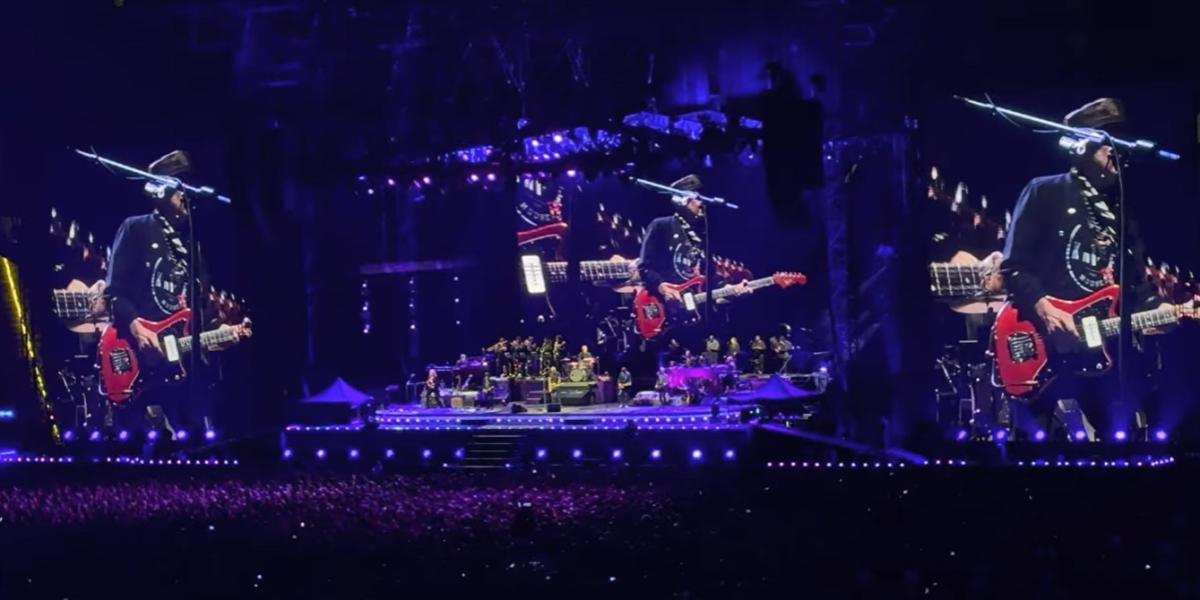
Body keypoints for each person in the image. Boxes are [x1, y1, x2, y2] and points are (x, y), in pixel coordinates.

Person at [1001, 98, 1172, 439]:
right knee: (1035, 446)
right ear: (1081, 146)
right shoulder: (1045, 191)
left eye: (1121, 140)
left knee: (1117, 442)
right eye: (1107, 140)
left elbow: (1135, 284)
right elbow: (1013, 266)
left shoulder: (1123, 209)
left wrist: (1159, 310)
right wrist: (1044, 309)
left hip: (1101, 348)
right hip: (1045, 340)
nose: (1116, 150)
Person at [105, 150, 240, 438]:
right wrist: (137, 328)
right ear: (161, 191)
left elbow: (199, 307)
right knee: (154, 443)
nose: (185, 194)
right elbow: (114, 292)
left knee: (198, 441)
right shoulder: (136, 228)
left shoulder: (192, 245)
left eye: (188, 186)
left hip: (184, 363)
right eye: (179, 186)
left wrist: (219, 331)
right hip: (143, 355)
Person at [637, 174, 752, 316]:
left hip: (696, 311)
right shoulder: (661, 225)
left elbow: (710, 277)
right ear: (683, 201)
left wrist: (730, 289)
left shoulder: (703, 234)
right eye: (697, 198)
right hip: (665, 308)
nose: (702, 203)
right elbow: (645, 267)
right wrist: (661, 287)